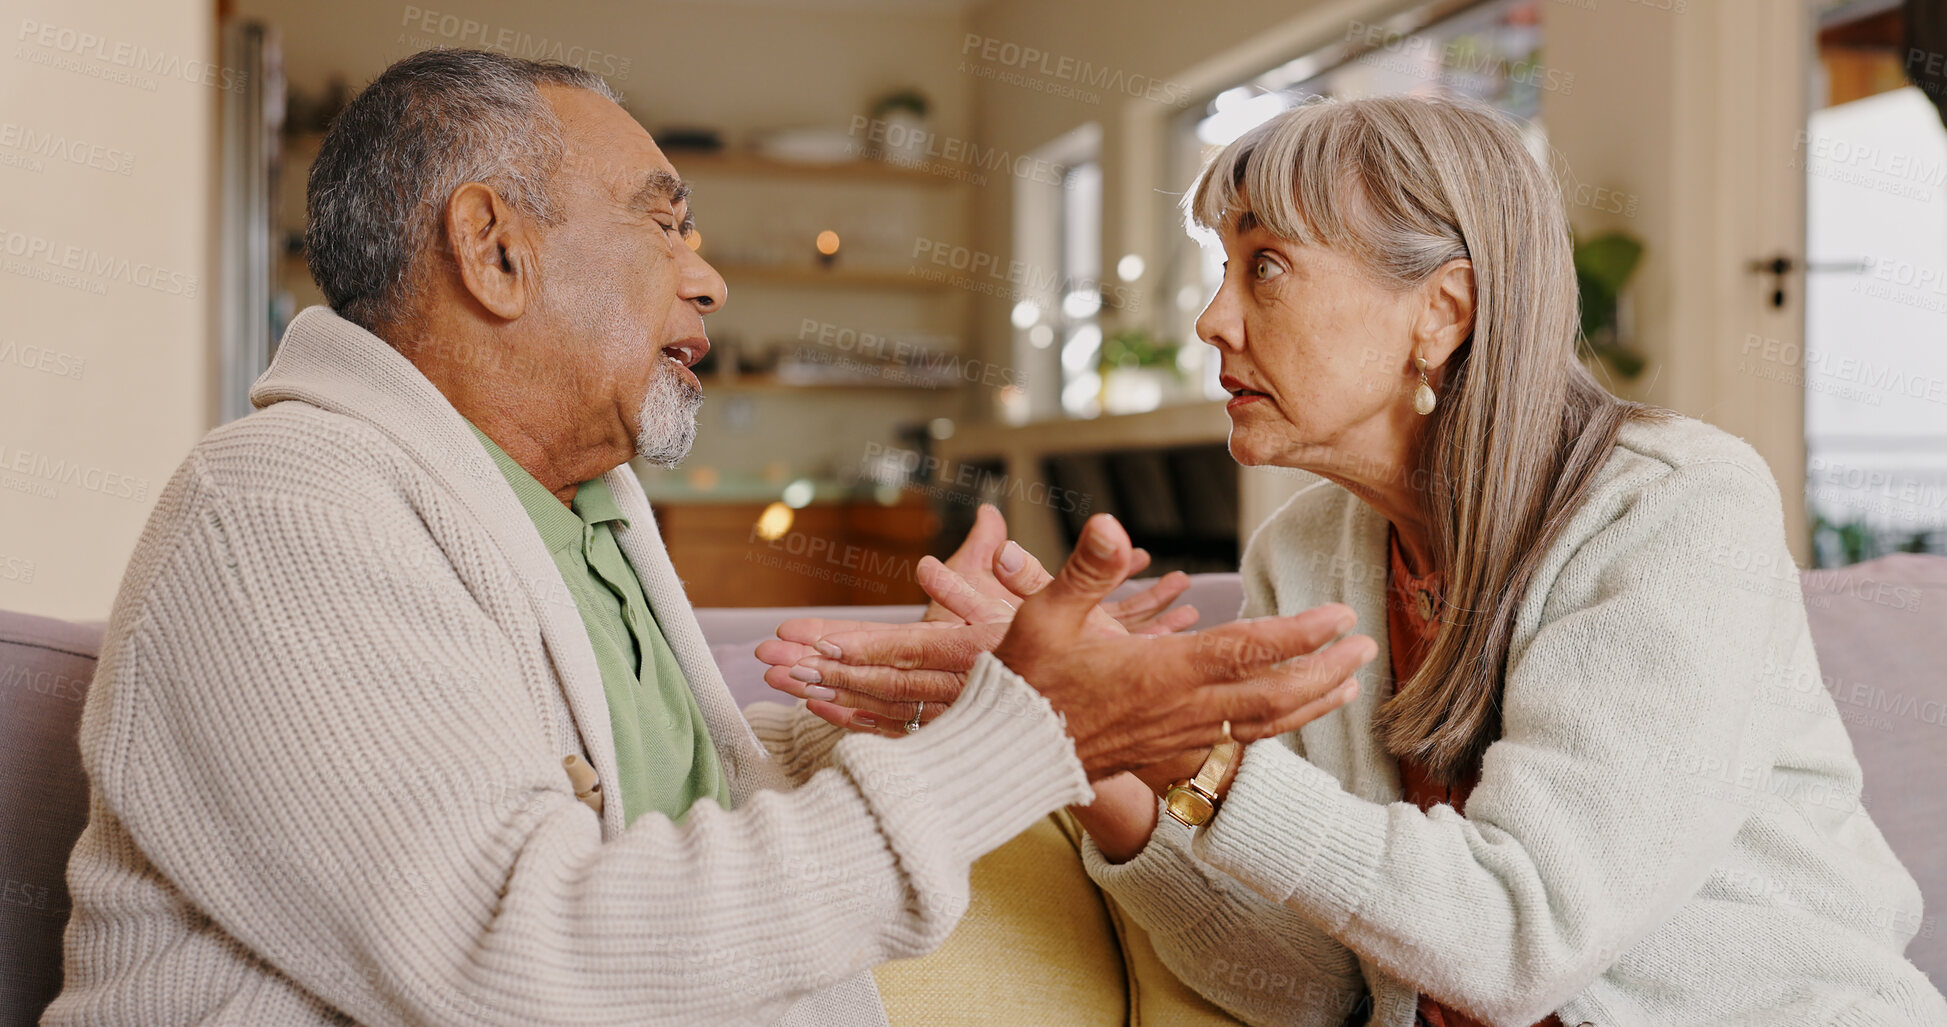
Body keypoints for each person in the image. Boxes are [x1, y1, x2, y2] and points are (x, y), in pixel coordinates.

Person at [45, 50, 1378, 1025]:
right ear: (491, 250)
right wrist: (1023, 728)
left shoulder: (574, 506)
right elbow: (533, 956)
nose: (709, 273)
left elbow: (622, 801)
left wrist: (932, 705)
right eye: (662, 219)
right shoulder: (281, 513)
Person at [764, 96, 1947, 1026]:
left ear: (1444, 310)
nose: (1213, 322)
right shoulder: (1310, 548)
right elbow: (1312, 989)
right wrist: (1099, 751)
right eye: (1222, 273)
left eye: (1265, 267)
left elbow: (1519, 940)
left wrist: (1193, 743)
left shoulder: (1676, 509)